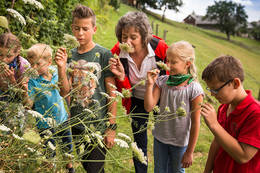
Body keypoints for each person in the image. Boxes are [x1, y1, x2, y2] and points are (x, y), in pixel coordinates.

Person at [55, 4, 117, 173]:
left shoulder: (104, 55)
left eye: (85, 29)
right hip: (76, 123)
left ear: (94, 29)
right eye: (77, 28)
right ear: (72, 29)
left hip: (97, 125)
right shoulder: (70, 55)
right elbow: (64, 92)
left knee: (94, 169)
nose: (80, 33)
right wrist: (61, 68)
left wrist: (111, 127)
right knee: (89, 166)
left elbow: (112, 94)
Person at [109, 11, 168, 173]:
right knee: (139, 141)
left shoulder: (160, 48)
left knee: (162, 138)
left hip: (160, 99)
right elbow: (124, 89)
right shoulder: (117, 52)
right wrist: (121, 76)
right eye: (124, 36)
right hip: (135, 99)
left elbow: (173, 72)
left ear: (144, 37)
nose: (127, 42)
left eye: (133, 37)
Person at [144, 41, 203, 173]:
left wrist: (190, 152)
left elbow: (195, 123)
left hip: (180, 143)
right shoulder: (162, 81)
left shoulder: (194, 89)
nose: (168, 66)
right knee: (159, 170)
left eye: (173, 62)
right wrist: (149, 85)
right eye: (167, 61)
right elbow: (148, 107)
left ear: (187, 64)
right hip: (160, 138)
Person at [201, 55, 260, 173]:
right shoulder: (224, 107)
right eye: (210, 90)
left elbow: (243, 156)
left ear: (235, 83)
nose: (212, 94)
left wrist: (214, 125)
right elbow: (217, 142)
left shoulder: (256, 114)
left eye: (216, 90)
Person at [25, 43, 74, 173]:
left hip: (62, 119)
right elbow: (28, 104)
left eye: (37, 64)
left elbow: (65, 91)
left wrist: (69, 109)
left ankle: (70, 168)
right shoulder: (32, 81)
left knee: (67, 148)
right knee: (49, 152)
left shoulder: (57, 72)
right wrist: (24, 90)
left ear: (49, 62)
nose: (34, 68)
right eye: (31, 64)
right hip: (44, 124)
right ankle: (50, 168)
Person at [0, 32, 30, 103]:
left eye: (8, 56)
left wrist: (12, 80)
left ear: (17, 53)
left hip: (13, 103)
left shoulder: (24, 65)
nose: (4, 60)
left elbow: (24, 98)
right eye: (0, 55)